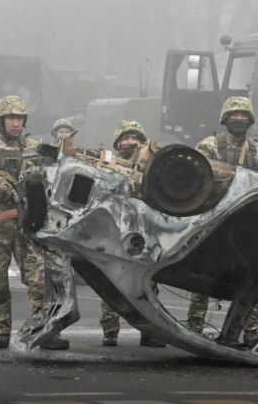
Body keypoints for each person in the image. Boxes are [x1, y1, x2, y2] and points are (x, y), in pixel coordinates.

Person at [0, 95, 69, 350]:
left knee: (40, 281)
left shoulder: (33, 148)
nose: (16, 123)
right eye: (11, 118)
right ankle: (0, 331)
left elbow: (56, 175)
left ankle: (45, 331)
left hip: (27, 224)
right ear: (1, 120)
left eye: (19, 118)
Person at [187, 97, 258, 346]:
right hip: (214, 219)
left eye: (244, 116)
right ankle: (194, 326)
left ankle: (250, 330)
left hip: (247, 224)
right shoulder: (209, 146)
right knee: (203, 274)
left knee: (250, 277)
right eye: (234, 115)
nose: (239, 120)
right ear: (225, 118)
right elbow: (198, 180)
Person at [100, 120, 166, 348]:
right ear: (118, 142)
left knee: (148, 282)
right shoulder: (106, 164)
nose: (130, 142)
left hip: (144, 230)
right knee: (110, 279)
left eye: (134, 138)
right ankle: (110, 330)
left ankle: (150, 332)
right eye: (125, 138)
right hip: (115, 229)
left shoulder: (152, 164)